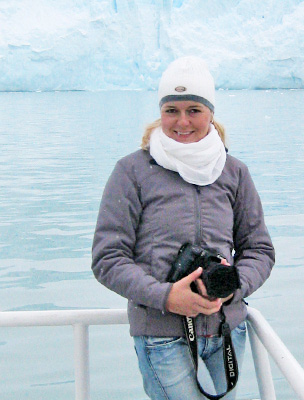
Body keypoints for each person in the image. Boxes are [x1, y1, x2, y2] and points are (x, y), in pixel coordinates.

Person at [91, 56, 275, 400]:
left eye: (194, 109)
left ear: (211, 113)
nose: (182, 121)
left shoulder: (233, 172)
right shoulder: (132, 171)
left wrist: (233, 288)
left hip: (226, 329)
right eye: (171, 110)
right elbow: (108, 258)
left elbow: (259, 250)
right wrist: (166, 296)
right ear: (160, 112)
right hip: (162, 333)